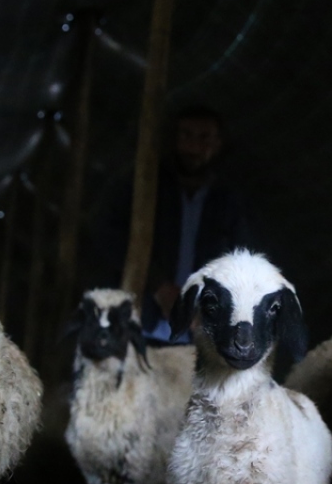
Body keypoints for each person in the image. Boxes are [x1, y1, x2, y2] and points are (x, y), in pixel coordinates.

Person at [96, 105, 253, 341]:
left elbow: (242, 258)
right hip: (138, 324)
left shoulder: (227, 200)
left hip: (196, 335)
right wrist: (158, 285)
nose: (194, 147)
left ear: (218, 144)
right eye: (186, 136)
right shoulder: (144, 187)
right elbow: (107, 232)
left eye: (204, 138)